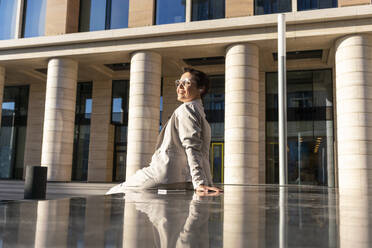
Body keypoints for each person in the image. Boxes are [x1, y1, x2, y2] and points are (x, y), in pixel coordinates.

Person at [106, 68, 222, 195]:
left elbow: (193, 147)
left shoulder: (186, 109)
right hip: (181, 178)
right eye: (179, 83)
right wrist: (206, 182)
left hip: (164, 173)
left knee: (116, 190)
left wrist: (200, 182)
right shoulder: (200, 113)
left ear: (201, 89)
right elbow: (200, 153)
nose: (180, 86)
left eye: (187, 82)